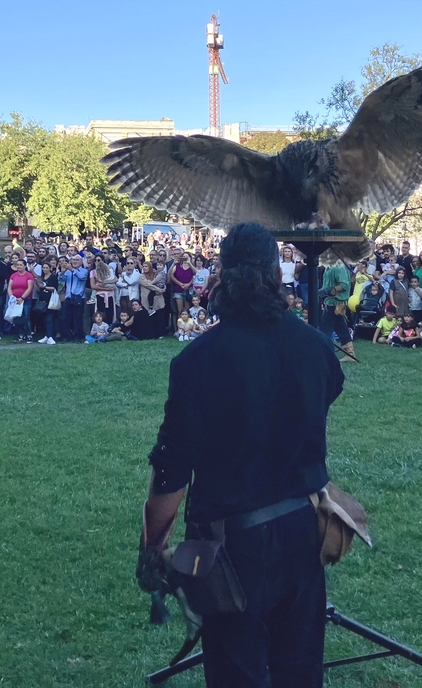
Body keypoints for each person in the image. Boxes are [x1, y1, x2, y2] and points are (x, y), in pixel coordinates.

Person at [138, 222, 345, 687]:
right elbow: (327, 393)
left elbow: (172, 471)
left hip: (231, 547)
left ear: (219, 276)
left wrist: (152, 545)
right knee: (299, 671)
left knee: (238, 675)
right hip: (301, 532)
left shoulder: (197, 360)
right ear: (277, 275)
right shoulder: (315, 347)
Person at [321, 258, 356, 361]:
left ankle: (323, 353)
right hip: (331, 302)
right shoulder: (329, 266)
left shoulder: (339, 267)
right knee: (341, 328)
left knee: (325, 329)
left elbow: (344, 285)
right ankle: (350, 353)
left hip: (335, 302)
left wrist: (331, 290)